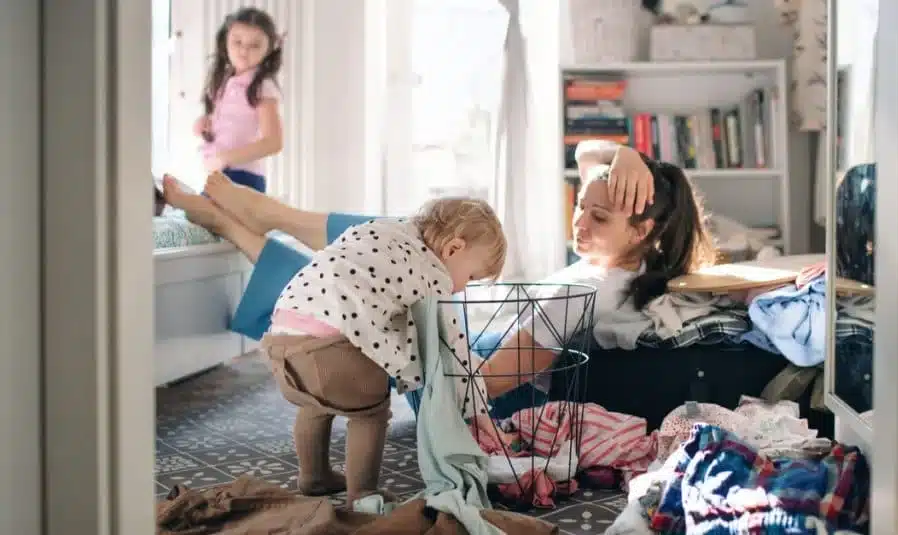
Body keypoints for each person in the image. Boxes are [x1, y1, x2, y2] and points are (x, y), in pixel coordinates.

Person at [161, 139, 714, 412]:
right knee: (350, 273)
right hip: (454, 350)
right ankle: (242, 224)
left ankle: (268, 217)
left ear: (642, 231)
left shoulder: (581, 293)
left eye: (599, 216)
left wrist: (405, 333)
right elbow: (587, 152)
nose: (580, 222)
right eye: (579, 205)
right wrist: (624, 155)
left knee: (394, 248)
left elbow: (482, 386)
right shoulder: (626, 269)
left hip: (451, 383)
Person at [253, 195, 505, 501]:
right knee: (370, 414)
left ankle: (314, 476)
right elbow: (454, 349)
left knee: (315, 404)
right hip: (331, 347)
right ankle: (362, 494)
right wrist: (478, 411)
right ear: (453, 249)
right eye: (471, 276)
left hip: (281, 340)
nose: (463, 287)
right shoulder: (434, 272)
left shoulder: (382, 229)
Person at [195, 7, 284, 193]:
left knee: (199, 214)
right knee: (196, 214)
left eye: (255, 45)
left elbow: (274, 142)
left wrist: (226, 158)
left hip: (243, 176)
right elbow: (231, 123)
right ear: (225, 42)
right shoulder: (224, 81)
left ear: (269, 49)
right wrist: (205, 123)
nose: (244, 50)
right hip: (220, 173)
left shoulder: (262, 86)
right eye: (237, 42)